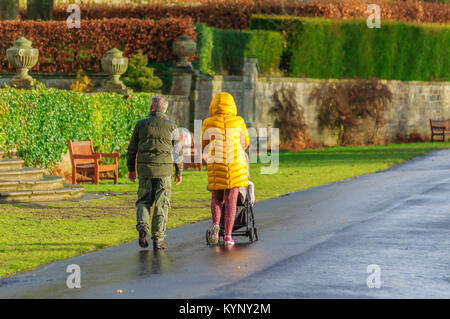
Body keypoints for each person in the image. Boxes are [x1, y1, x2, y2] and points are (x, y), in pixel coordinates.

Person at [127, 95, 183, 250]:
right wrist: (179, 172)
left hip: (145, 170)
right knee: (161, 204)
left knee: (143, 200)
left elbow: (132, 149)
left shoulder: (141, 124)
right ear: (165, 110)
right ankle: (158, 239)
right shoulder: (172, 126)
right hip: (164, 172)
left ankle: (143, 227)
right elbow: (178, 152)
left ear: (151, 107)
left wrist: (131, 169)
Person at [201, 92, 249, 247]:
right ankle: (228, 236)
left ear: (213, 106)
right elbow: (245, 143)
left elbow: (204, 144)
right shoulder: (239, 121)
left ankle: (216, 224)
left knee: (216, 198)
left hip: (216, 163)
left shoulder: (208, 122)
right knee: (231, 201)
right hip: (235, 164)